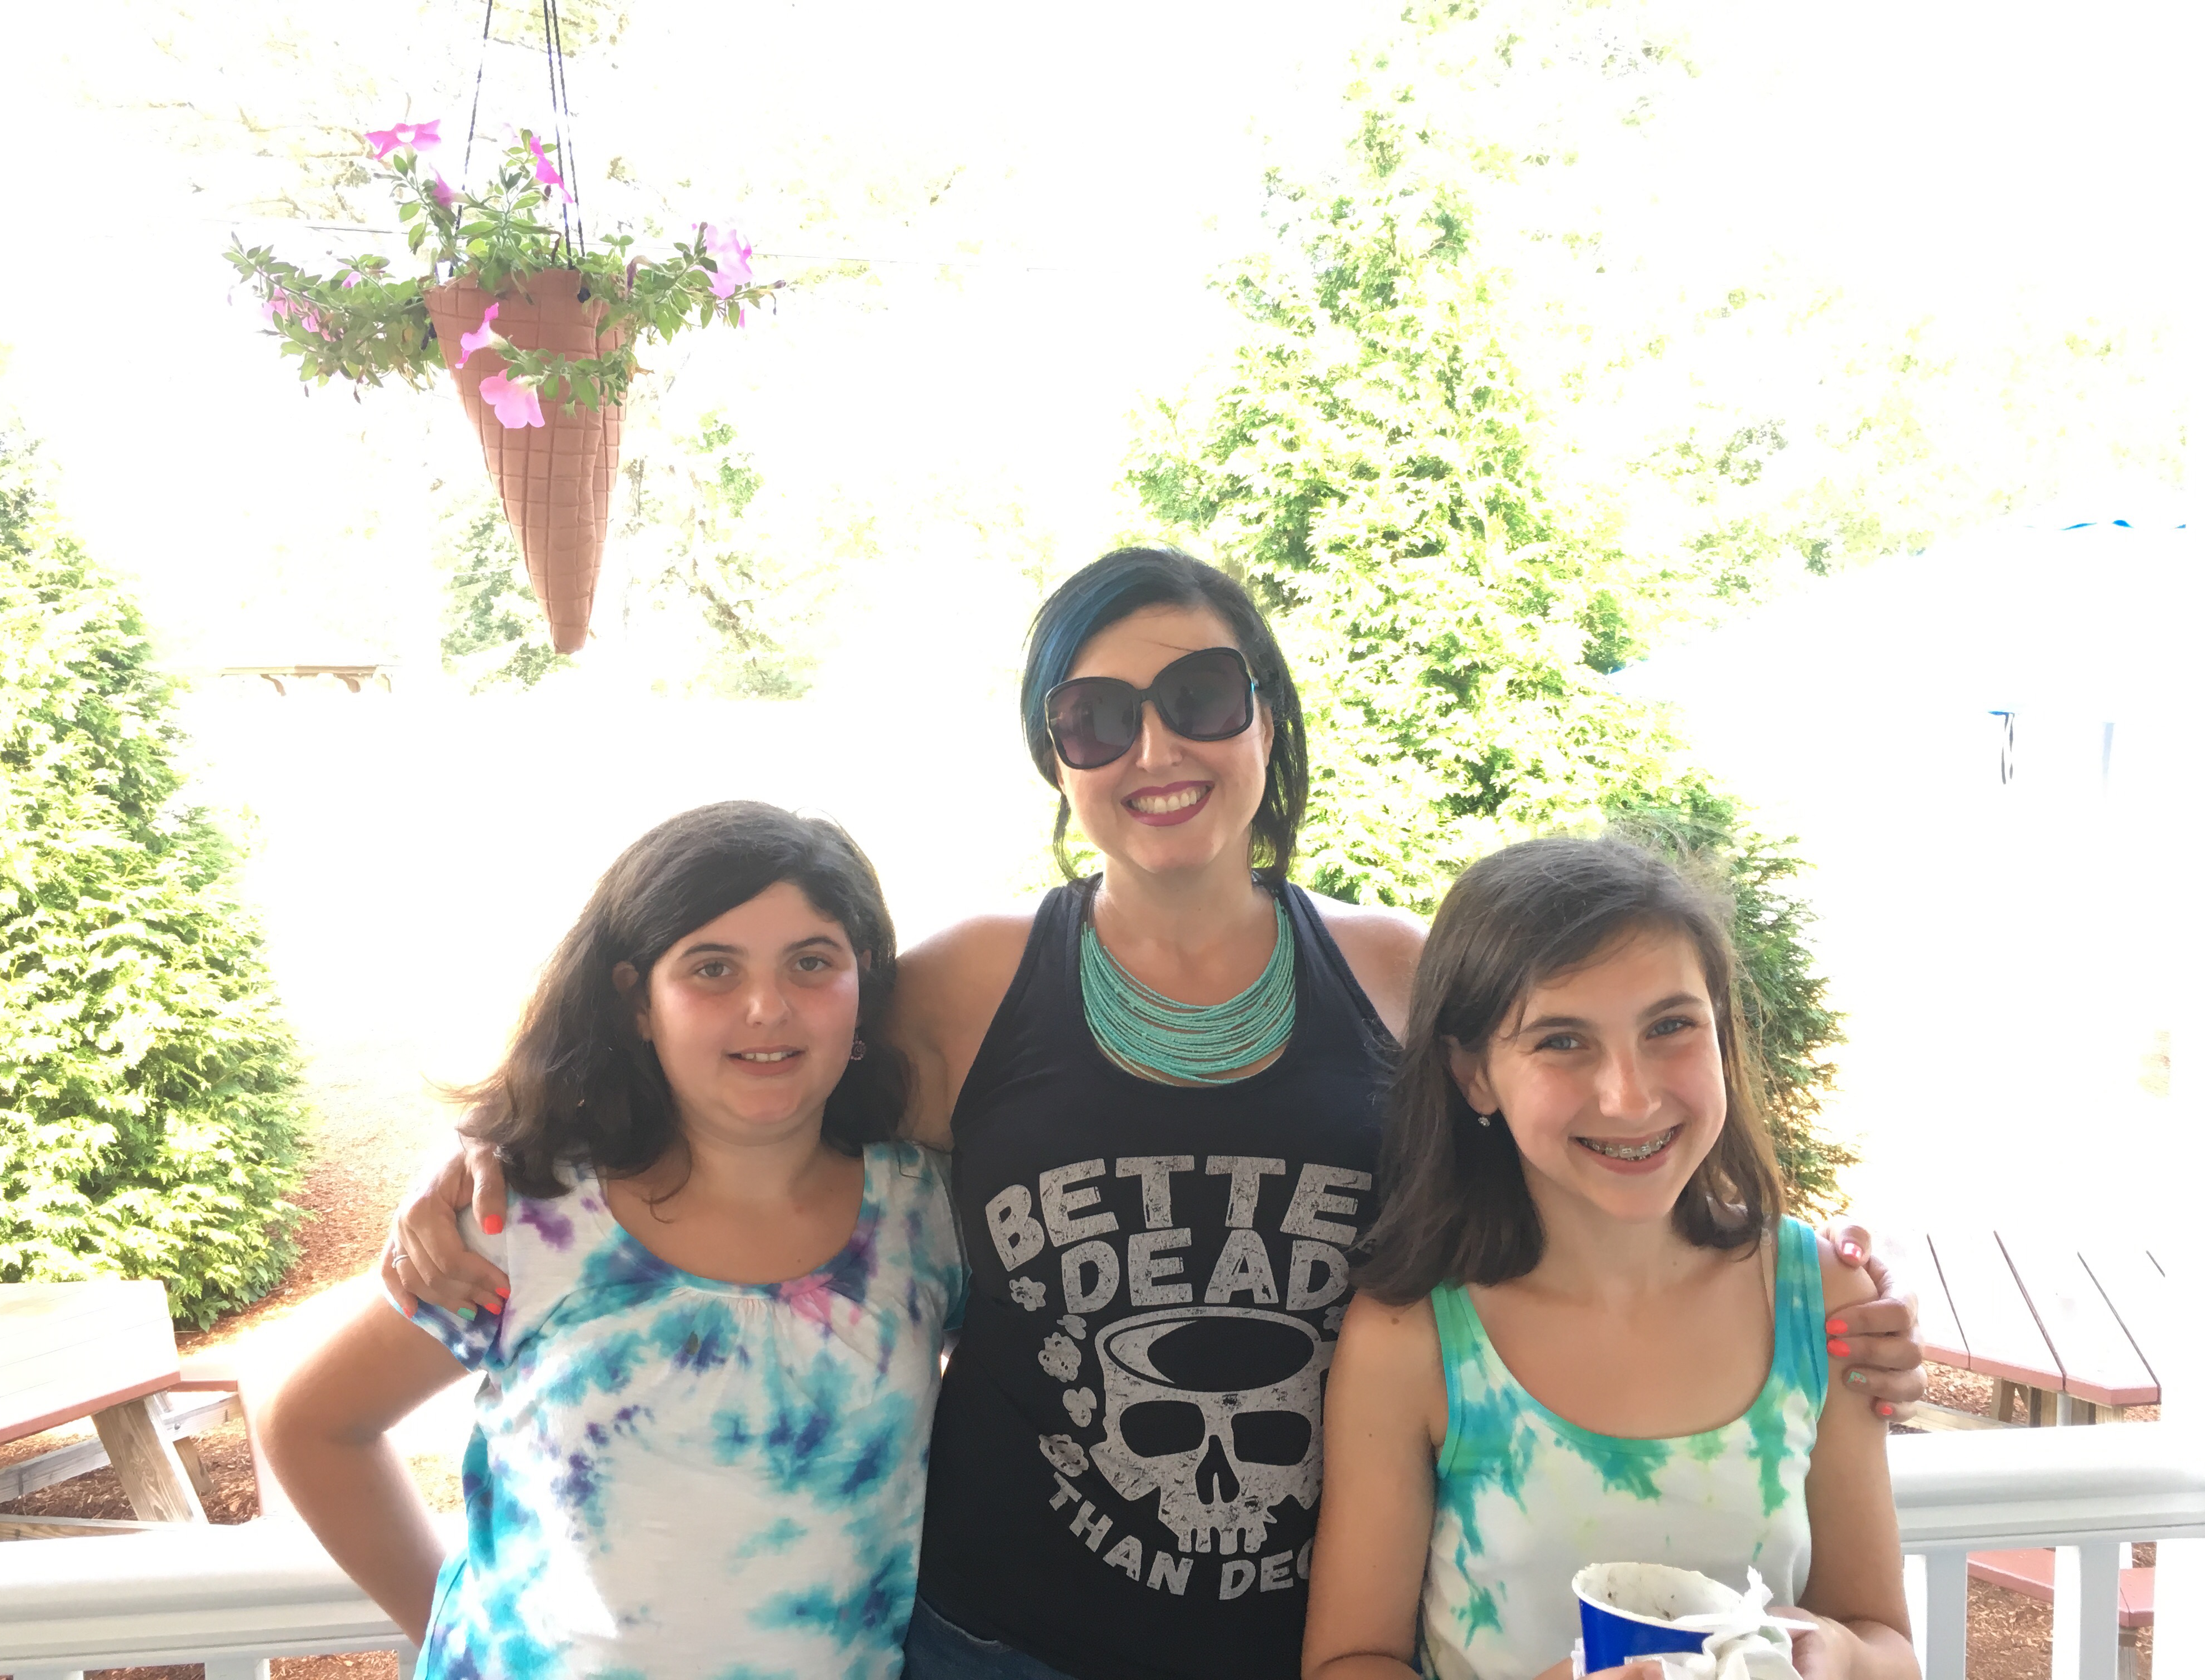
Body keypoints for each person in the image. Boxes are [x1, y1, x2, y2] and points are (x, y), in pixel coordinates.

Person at [386, 548, 1923, 1680]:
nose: (1156, 750)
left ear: (1268, 720)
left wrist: (1818, 1286)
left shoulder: (1399, 978)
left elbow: (1601, 1151)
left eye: (1199, 697)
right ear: (1056, 759)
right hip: (1002, 1642)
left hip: (1321, 1640)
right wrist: (507, 1147)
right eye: (1096, 718)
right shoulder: (969, 984)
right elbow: (740, 1071)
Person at [259, 803, 966, 1680]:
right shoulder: (526, 1218)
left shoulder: (930, 1218)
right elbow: (314, 1425)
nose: (767, 1007)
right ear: (638, 1003)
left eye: (812, 962)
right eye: (712, 968)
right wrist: (467, 1639)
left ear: (864, 986)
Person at [1301, 836, 1917, 1680]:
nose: (1629, 1096)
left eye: (1670, 1026)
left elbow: (1886, 1640)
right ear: (1474, 1075)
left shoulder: (1824, 1300)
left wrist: (1840, 1656)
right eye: (1562, 1041)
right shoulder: (1412, 1337)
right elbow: (1349, 1660)